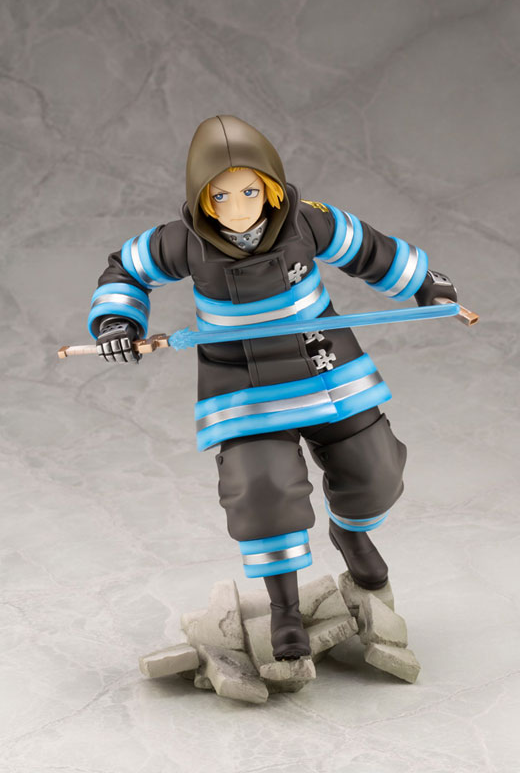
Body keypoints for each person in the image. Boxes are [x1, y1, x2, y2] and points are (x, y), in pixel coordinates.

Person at [88, 115, 457, 660]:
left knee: (376, 469)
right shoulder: (180, 240)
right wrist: (118, 322)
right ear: (201, 198)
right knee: (262, 494)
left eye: (249, 191)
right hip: (243, 383)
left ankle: (351, 533)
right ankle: (284, 608)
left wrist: (425, 283)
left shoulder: (308, 220)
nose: (238, 208)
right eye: (221, 195)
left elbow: (368, 249)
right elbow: (126, 269)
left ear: (272, 187)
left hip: (324, 363)